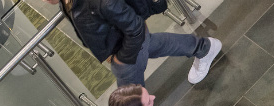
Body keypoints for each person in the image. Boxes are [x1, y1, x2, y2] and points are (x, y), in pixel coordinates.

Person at [46, 0, 221, 86]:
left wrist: (123, 59)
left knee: (129, 99)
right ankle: (204, 48)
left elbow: (135, 27)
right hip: (119, 40)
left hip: (125, 47)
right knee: (151, 44)